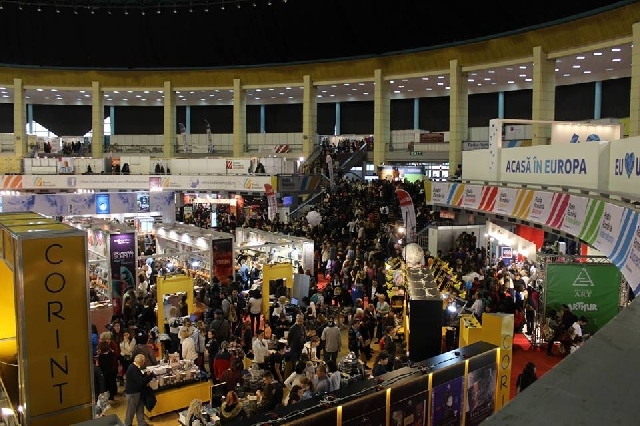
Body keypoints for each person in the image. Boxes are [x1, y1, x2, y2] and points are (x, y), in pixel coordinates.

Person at [124, 354, 154, 426]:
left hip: (137, 392)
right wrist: (147, 376)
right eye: (144, 361)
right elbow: (140, 382)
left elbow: (139, 378)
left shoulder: (134, 367)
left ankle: (142, 423)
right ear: (141, 361)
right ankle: (127, 424)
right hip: (133, 393)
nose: (144, 363)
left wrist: (145, 375)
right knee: (131, 410)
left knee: (140, 408)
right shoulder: (133, 369)